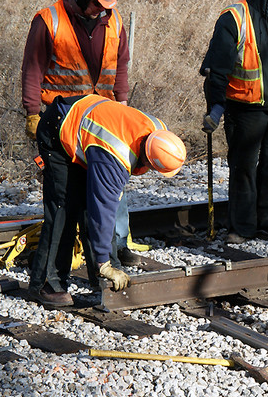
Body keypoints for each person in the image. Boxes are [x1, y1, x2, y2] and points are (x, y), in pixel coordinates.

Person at [21, 0, 141, 268]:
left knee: (112, 185)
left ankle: (115, 247)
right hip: (62, 124)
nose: (102, 9)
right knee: (67, 198)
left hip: (103, 121)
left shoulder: (113, 21)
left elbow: (121, 65)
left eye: (106, 4)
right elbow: (32, 69)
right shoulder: (49, 20)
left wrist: (123, 105)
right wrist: (32, 112)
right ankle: (69, 262)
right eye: (97, 3)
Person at [28, 95, 186, 308]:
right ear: (149, 161)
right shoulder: (116, 157)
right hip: (58, 129)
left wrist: (109, 265)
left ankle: (102, 277)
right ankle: (47, 284)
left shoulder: (158, 129)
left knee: (87, 205)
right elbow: (102, 211)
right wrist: (104, 262)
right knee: (63, 208)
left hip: (89, 131)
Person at [200, 0, 268, 244]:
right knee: (243, 168)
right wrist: (215, 107)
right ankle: (241, 226)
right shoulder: (234, 18)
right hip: (244, 109)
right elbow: (217, 69)